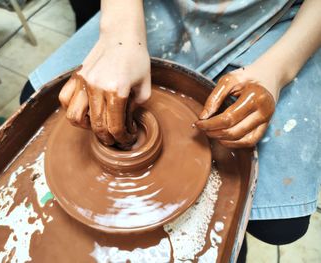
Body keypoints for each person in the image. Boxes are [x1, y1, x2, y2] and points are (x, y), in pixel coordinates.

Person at [25, 0, 321, 261]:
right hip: (158, 9)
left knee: (279, 226)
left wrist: (279, 71)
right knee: (33, 97)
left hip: (280, 19)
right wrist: (119, 32)